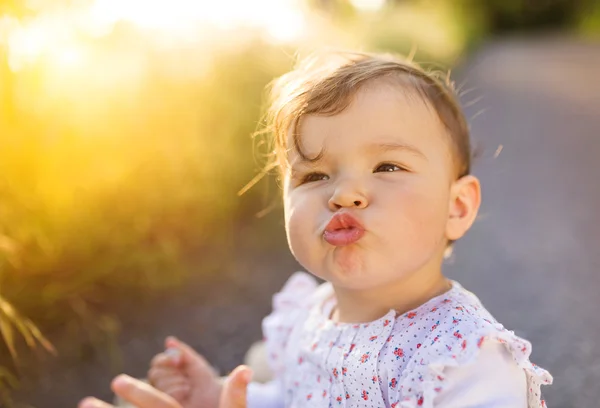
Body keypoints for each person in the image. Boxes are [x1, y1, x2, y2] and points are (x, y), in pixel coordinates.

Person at [82, 50, 553, 407]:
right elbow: (294, 396)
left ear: (457, 206)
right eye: (313, 176)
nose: (343, 194)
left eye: (387, 166)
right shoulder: (313, 316)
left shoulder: (465, 364)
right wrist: (224, 395)